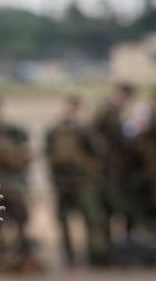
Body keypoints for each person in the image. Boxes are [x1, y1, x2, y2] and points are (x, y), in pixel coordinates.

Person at [44, 95, 109, 267]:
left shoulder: (54, 129)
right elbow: (99, 150)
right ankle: (92, 256)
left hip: (61, 182)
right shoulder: (84, 130)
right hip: (82, 182)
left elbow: (47, 154)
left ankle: (69, 258)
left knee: (64, 220)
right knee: (91, 219)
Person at [0, 95, 40, 273]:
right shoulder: (9, 131)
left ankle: (0, 259)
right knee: (21, 219)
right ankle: (20, 256)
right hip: (11, 184)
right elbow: (21, 156)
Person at [121, 87, 156, 260]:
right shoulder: (140, 134)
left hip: (154, 181)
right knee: (144, 216)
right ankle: (147, 250)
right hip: (145, 182)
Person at [91, 82, 135, 256]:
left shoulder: (109, 111)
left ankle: (112, 248)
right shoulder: (110, 112)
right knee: (111, 208)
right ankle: (110, 249)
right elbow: (117, 140)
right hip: (107, 172)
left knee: (110, 209)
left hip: (110, 171)